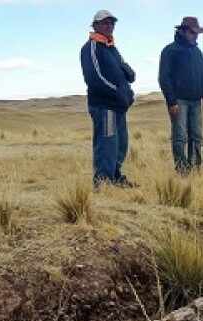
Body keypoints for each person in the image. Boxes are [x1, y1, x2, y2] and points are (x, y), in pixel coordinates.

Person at [80, 9, 136, 188]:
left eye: (112, 23)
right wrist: (119, 94)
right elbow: (94, 78)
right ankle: (103, 182)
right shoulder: (91, 47)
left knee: (120, 144)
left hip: (118, 106)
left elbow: (125, 71)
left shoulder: (111, 48)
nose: (109, 26)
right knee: (107, 143)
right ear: (95, 25)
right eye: (105, 23)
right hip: (105, 106)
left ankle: (115, 175)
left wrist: (127, 88)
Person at [158, 17, 203, 175]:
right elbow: (164, 78)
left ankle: (195, 168)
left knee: (196, 135)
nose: (196, 36)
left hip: (196, 100)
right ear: (182, 31)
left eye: (197, 33)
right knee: (180, 137)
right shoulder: (170, 51)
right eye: (192, 32)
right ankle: (182, 170)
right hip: (179, 101)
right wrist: (171, 101)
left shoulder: (197, 52)